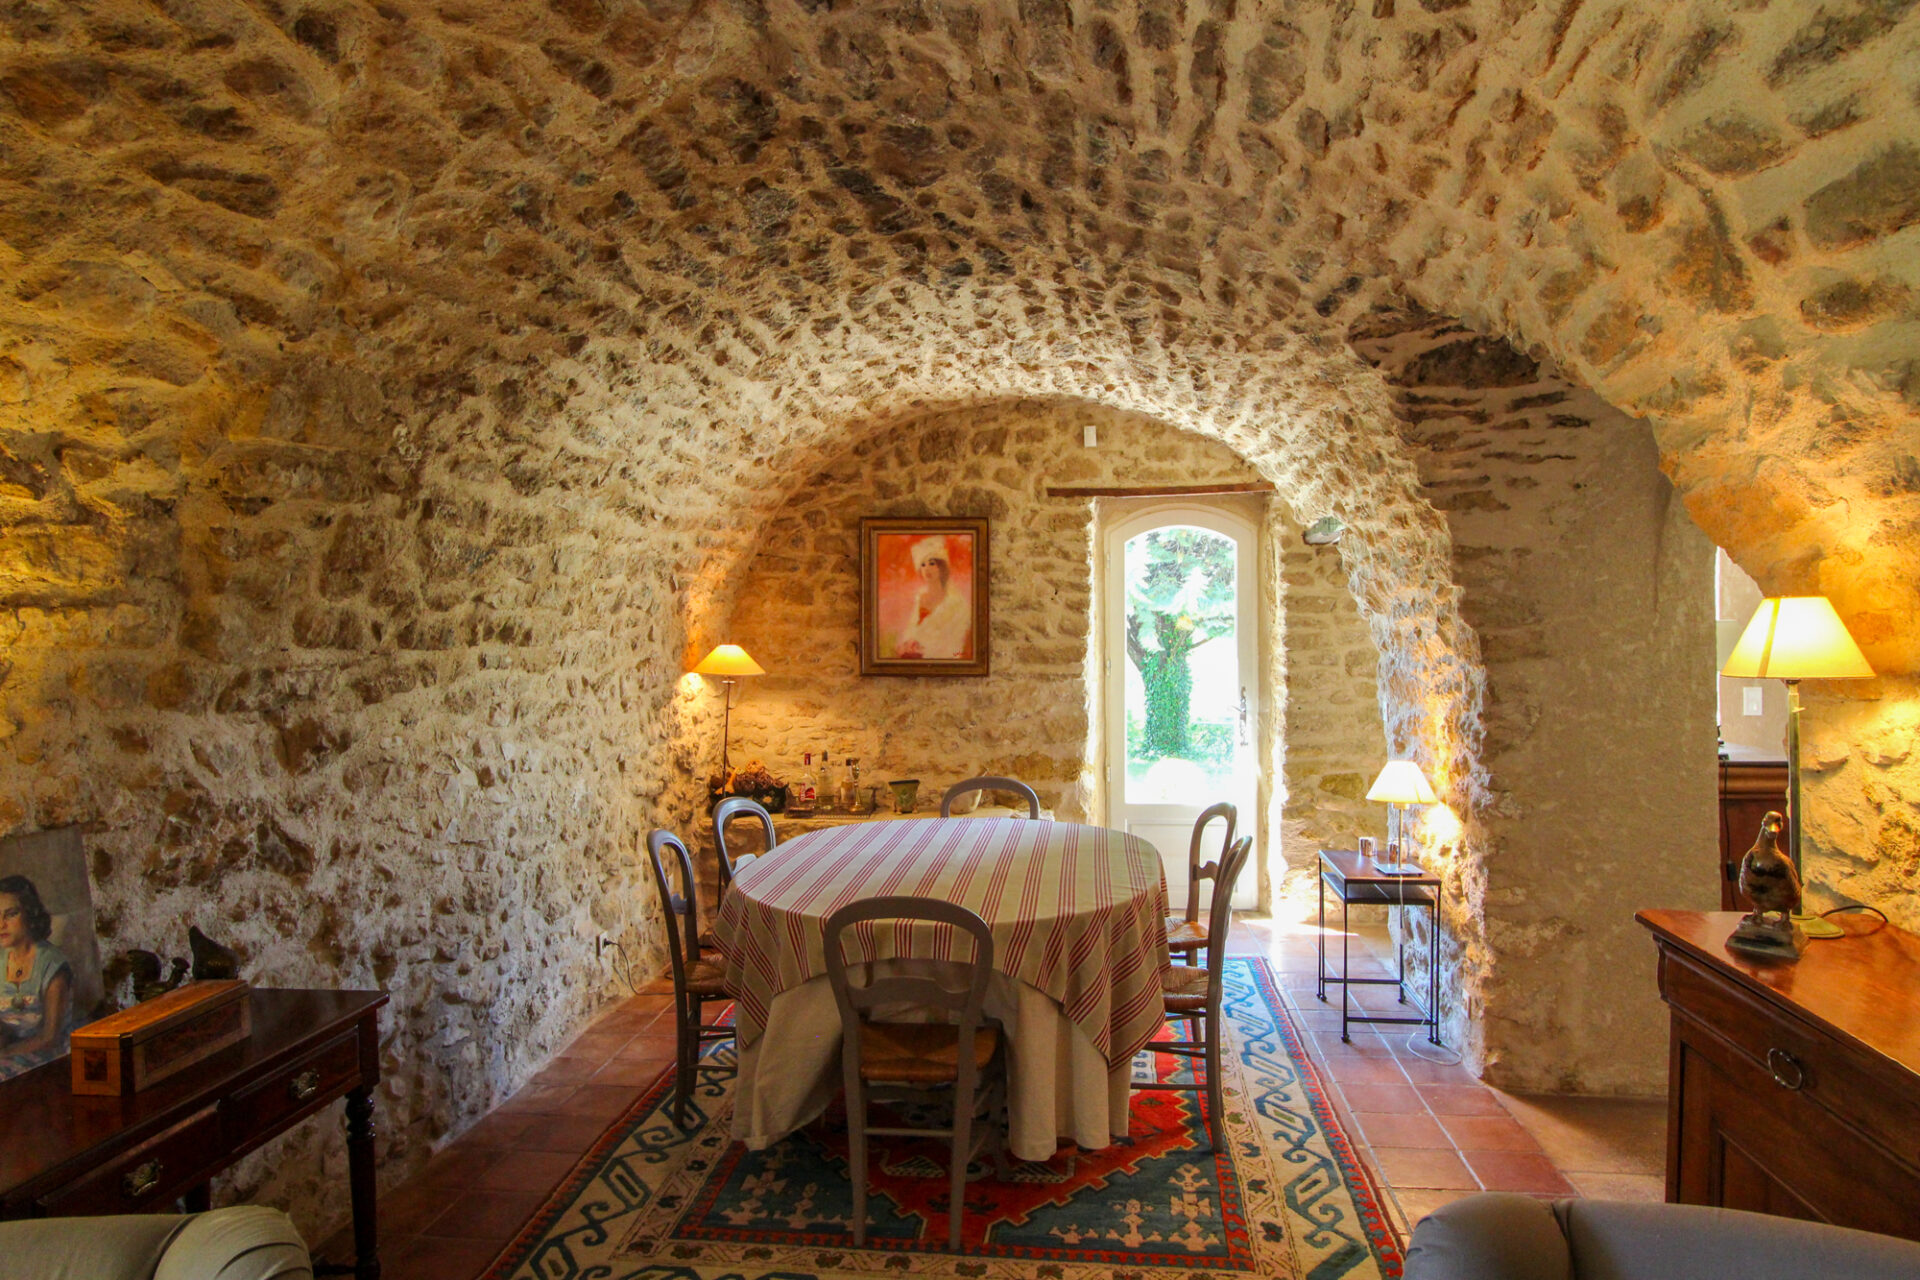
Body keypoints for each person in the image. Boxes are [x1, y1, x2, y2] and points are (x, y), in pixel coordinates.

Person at [0, 874, 73, 1077]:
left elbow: (50, 1037)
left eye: (11, 914)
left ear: (30, 913)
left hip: (45, 1058)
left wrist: (5, 1053)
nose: (1, 924)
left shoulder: (52, 964)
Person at [894, 536, 972, 660]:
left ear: (941, 567)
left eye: (932, 563)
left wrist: (924, 650)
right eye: (923, 565)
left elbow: (956, 645)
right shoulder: (920, 598)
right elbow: (910, 631)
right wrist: (907, 644)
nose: (927, 569)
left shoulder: (957, 603)